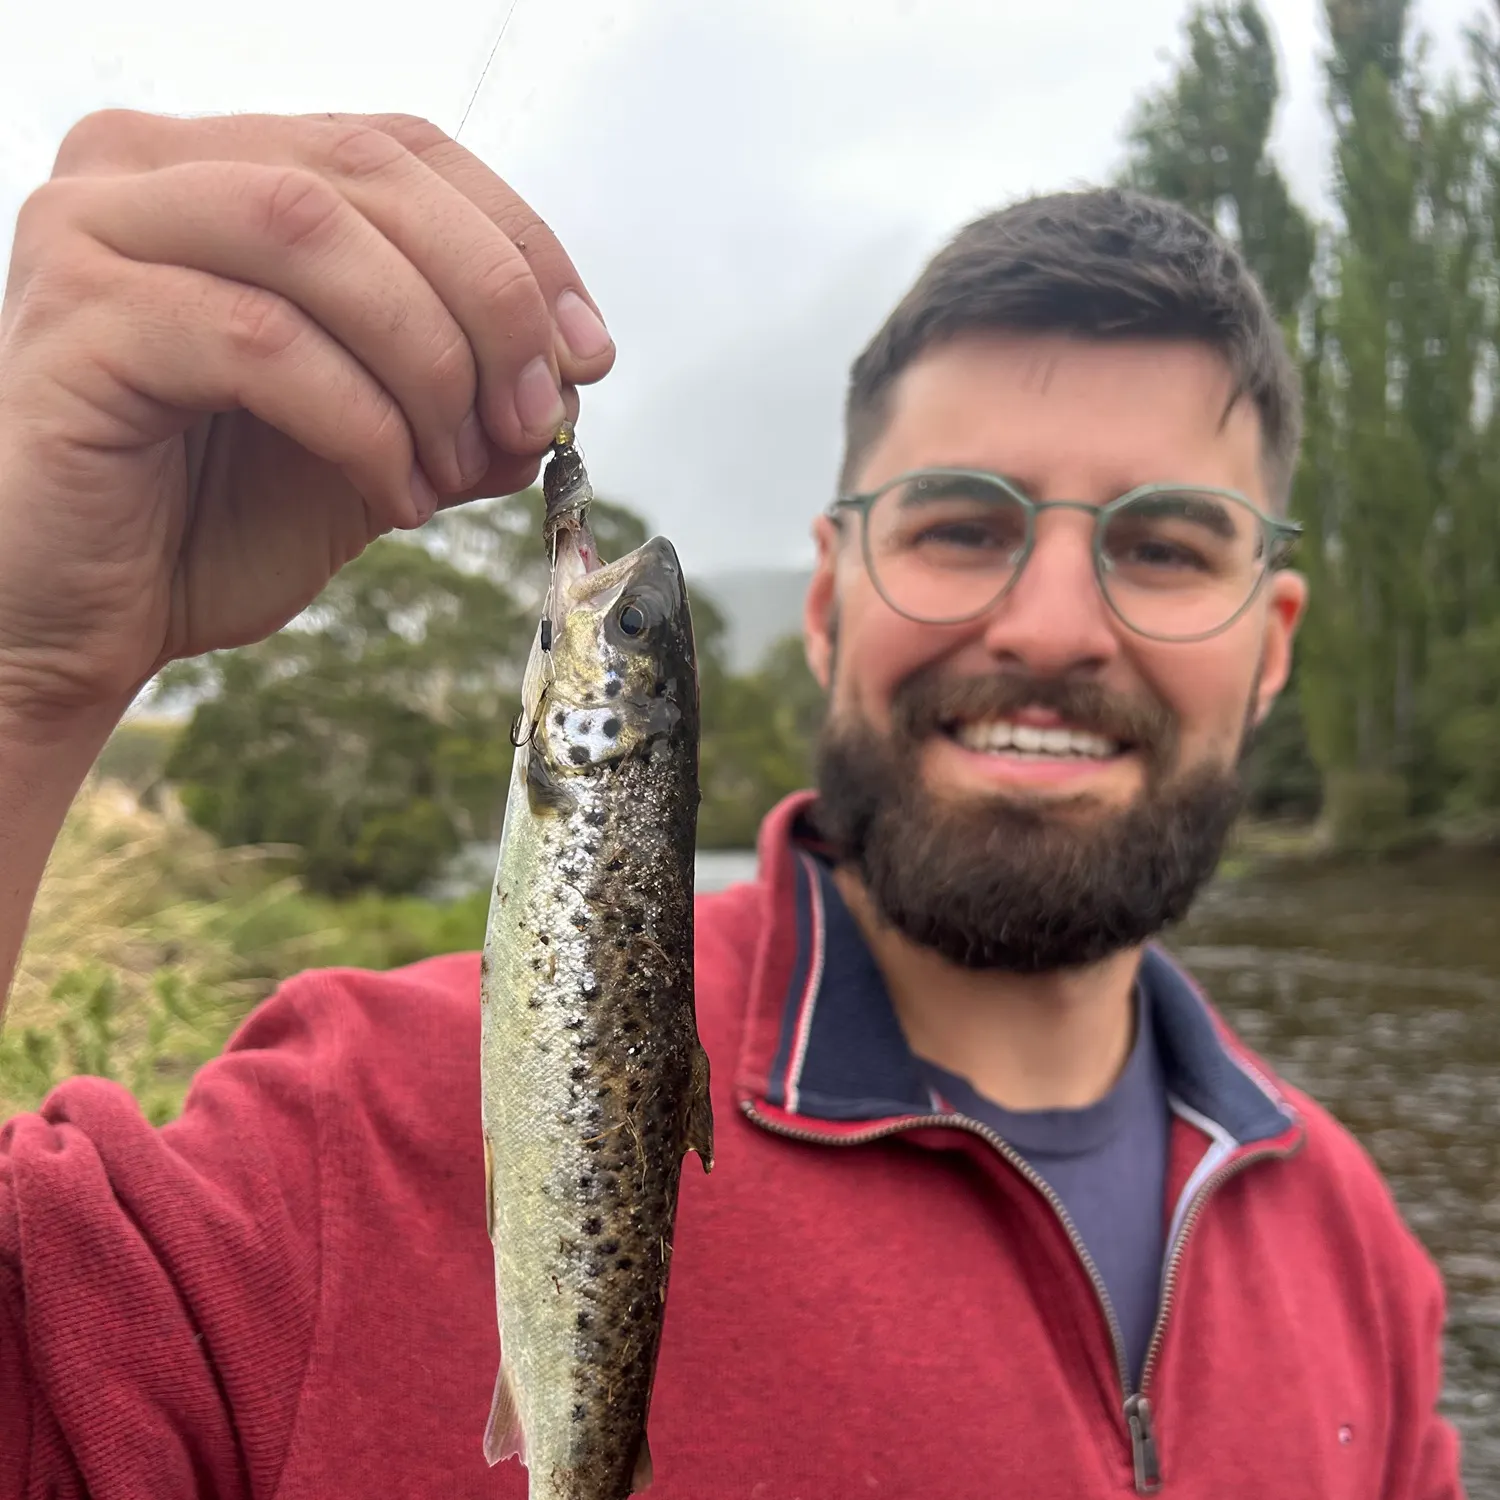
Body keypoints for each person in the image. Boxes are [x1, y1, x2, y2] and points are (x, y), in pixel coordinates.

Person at [0, 111, 1462, 1500]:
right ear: (825, 605)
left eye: (1166, 548)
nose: (1054, 626)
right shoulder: (347, 1130)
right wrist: (27, 677)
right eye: (963, 526)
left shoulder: (1360, 1261)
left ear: (1273, 645)